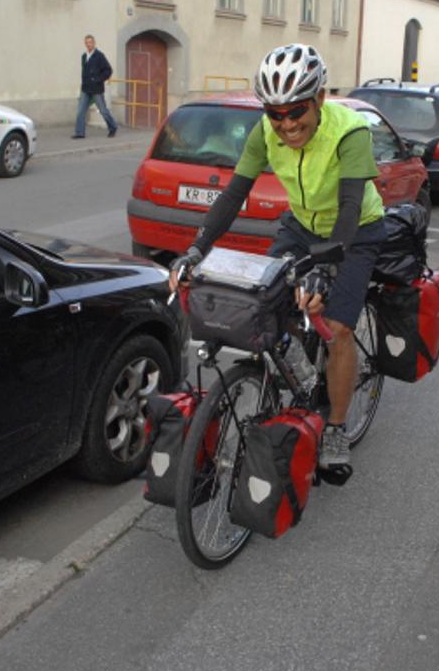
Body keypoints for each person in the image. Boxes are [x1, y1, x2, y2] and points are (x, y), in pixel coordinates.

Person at [169, 43, 386, 472]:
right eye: (276, 113)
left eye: (297, 110)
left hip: (355, 230)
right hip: (301, 225)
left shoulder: (350, 130)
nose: (286, 123)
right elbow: (234, 194)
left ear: (320, 98)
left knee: (338, 328)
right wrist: (196, 250)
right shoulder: (265, 131)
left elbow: (349, 205)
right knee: (264, 302)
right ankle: (303, 375)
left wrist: (327, 268)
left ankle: (337, 427)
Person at [74, 34, 117, 139]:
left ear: (94, 43)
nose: (88, 44)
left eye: (90, 42)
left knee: (103, 110)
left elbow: (108, 70)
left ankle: (113, 127)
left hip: (97, 89)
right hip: (85, 89)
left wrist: (98, 80)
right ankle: (80, 133)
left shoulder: (99, 56)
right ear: (85, 44)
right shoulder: (84, 56)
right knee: (80, 111)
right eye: (87, 43)